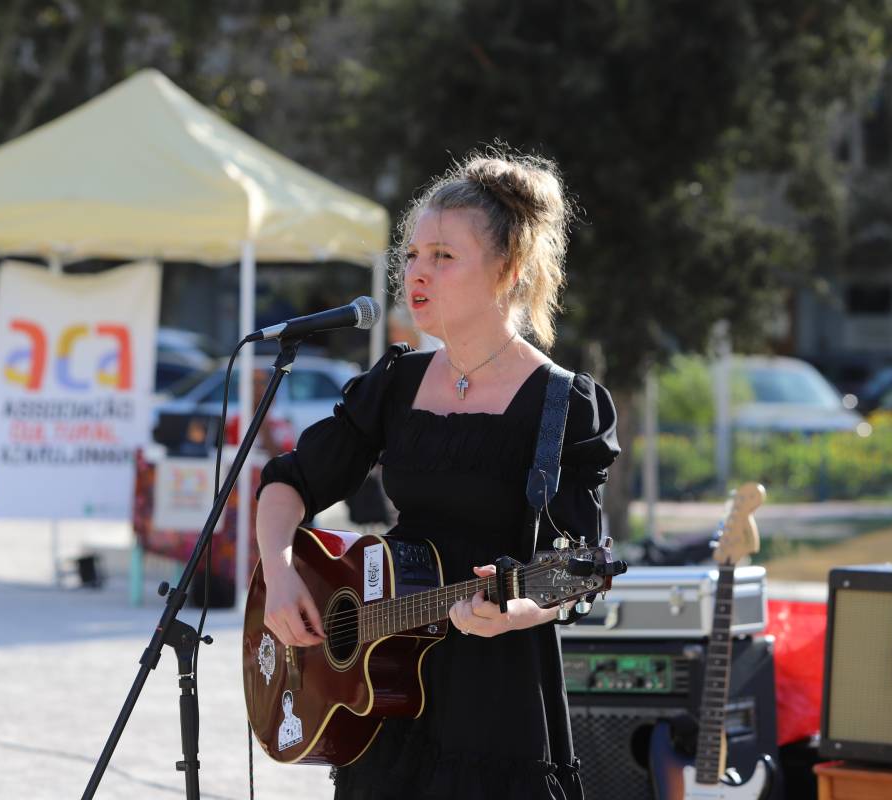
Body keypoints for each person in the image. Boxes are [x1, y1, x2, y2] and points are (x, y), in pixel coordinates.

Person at [253, 147, 620, 800]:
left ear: (508, 271)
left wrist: (520, 610)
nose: (416, 273)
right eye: (413, 255)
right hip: (381, 696)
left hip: (494, 700)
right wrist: (280, 576)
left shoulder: (563, 404)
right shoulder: (395, 383)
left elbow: (582, 565)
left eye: (443, 257)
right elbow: (287, 483)